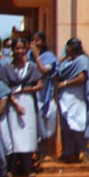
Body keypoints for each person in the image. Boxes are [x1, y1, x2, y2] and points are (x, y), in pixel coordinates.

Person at [0, 38, 42, 177]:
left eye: (22, 48)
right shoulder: (6, 68)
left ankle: (27, 168)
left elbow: (39, 85)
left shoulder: (31, 67)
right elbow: (4, 88)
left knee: (28, 135)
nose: (20, 51)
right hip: (12, 104)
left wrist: (25, 90)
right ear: (12, 50)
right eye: (17, 48)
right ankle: (12, 169)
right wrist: (15, 103)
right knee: (14, 135)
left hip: (28, 103)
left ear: (26, 49)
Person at [56, 38, 89, 163]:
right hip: (64, 98)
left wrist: (66, 83)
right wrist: (59, 62)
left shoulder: (82, 60)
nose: (66, 50)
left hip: (76, 97)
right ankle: (69, 152)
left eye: (68, 47)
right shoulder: (66, 61)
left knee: (78, 124)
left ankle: (84, 151)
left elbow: (82, 77)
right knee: (66, 126)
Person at [30, 31, 58, 162]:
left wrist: (36, 57)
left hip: (45, 95)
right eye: (33, 40)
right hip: (32, 95)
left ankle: (46, 153)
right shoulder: (26, 56)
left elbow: (45, 70)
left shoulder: (48, 56)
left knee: (48, 125)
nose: (36, 43)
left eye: (38, 40)